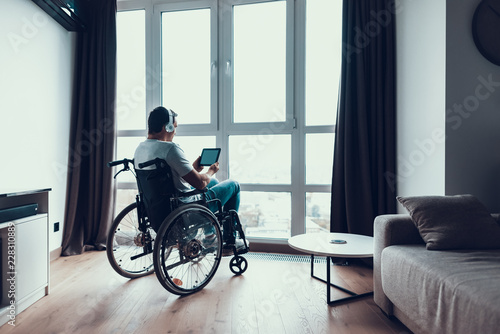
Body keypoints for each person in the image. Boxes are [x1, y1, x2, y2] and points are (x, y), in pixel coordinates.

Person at [134, 106, 246, 254]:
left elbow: (168, 179)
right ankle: (229, 240)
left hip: (158, 208)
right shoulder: (170, 149)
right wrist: (210, 171)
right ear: (166, 127)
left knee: (213, 184)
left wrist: (194, 169)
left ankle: (210, 235)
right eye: (174, 127)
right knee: (233, 185)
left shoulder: (140, 149)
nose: (175, 131)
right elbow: (200, 183)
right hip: (185, 210)